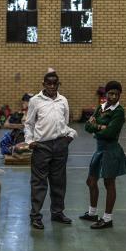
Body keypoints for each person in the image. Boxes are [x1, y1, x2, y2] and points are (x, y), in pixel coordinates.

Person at [24, 71, 77, 230]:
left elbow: (65, 123)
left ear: (58, 84)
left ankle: (57, 212)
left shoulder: (63, 100)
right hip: (42, 147)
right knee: (39, 183)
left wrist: (68, 138)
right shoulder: (35, 101)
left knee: (59, 182)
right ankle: (35, 216)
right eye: (49, 83)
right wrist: (30, 141)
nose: (52, 86)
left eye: (55, 83)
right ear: (44, 84)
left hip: (60, 146)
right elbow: (29, 124)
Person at [81, 81, 126, 229]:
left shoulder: (119, 111)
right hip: (99, 149)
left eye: (116, 94)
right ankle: (92, 213)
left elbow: (110, 133)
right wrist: (100, 126)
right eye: (110, 93)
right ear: (106, 94)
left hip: (111, 151)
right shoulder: (101, 107)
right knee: (91, 181)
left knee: (109, 184)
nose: (113, 96)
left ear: (120, 95)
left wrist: (96, 126)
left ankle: (107, 219)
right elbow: (86, 126)